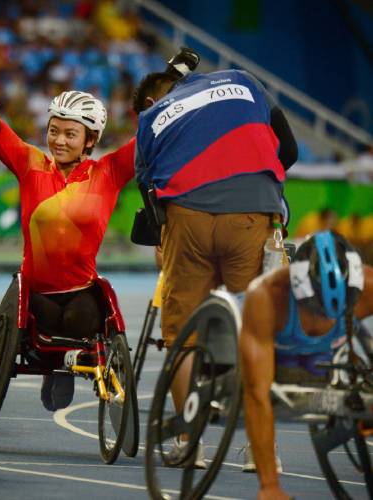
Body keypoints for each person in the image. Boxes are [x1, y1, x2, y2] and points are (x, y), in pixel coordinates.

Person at [0, 25, 137, 412]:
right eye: (54, 131)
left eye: (70, 134)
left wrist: (172, 84)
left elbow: (151, 135)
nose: (59, 140)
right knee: (43, 323)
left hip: (81, 291)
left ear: (90, 140)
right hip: (36, 294)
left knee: (84, 319)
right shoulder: (30, 163)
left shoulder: (108, 173)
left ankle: (62, 368)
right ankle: (55, 364)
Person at [133, 48, 298, 460]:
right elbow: (289, 149)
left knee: (181, 335)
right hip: (251, 212)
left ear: (154, 99)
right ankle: (261, 449)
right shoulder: (242, 80)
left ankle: (189, 442)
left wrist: (163, 240)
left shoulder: (151, 118)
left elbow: (149, 192)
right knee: (256, 329)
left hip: (187, 217)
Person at [239, 231, 373, 500]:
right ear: (296, 286)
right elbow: (256, 395)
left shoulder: (368, 288)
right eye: (315, 308)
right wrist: (269, 486)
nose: (323, 316)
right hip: (276, 360)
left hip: (326, 363)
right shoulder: (266, 298)